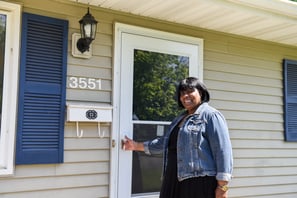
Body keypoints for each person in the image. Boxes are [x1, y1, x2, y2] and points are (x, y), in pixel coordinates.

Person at [122, 77, 233, 198]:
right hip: (173, 179)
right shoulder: (179, 119)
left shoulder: (211, 116)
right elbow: (164, 143)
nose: (185, 96)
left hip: (198, 181)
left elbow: (223, 151)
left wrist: (222, 186)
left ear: (200, 92)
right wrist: (135, 145)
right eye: (182, 93)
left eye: (190, 91)